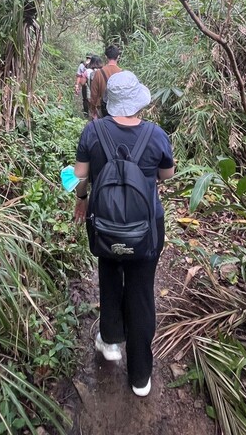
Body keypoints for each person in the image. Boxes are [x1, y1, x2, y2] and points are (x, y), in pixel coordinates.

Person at [73, 71, 175, 397]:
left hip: (104, 223)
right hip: (146, 228)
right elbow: (167, 176)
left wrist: (81, 201)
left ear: (110, 102)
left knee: (110, 276)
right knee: (142, 292)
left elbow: (80, 176)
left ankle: (111, 342)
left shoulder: (92, 131)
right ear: (138, 102)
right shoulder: (156, 135)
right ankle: (141, 376)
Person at [89, 44, 121, 120]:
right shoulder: (122, 73)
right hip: (118, 111)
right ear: (118, 57)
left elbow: (94, 95)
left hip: (103, 110)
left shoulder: (98, 73)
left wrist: (93, 109)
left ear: (106, 57)